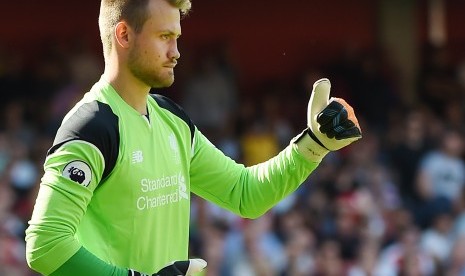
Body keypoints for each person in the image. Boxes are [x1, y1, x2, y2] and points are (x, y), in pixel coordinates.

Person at [24, 0, 362, 275]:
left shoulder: (172, 118)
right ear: (124, 35)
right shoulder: (91, 126)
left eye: (177, 37)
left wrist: (312, 147)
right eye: (164, 37)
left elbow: (245, 194)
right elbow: (46, 244)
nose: (176, 52)